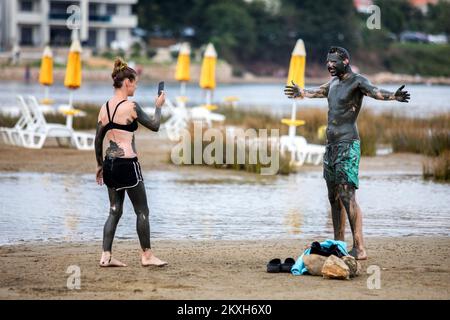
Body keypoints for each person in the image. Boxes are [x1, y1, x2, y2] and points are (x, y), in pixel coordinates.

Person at [284, 46, 410, 260]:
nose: (329, 65)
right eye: (327, 61)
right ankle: (338, 244)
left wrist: (394, 96)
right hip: (331, 146)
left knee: (347, 194)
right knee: (333, 197)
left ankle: (359, 247)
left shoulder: (357, 81)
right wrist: (301, 92)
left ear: (345, 60)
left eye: (333, 61)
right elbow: (318, 92)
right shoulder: (332, 83)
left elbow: (375, 91)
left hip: (347, 145)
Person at [94, 57, 167, 267]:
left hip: (109, 163)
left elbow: (98, 139)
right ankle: (147, 256)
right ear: (127, 82)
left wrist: (99, 165)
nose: (135, 86)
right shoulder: (131, 106)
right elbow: (154, 125)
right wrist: (158, 106)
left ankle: (106, 256)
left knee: (114, 210)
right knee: (142, 211)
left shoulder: (104, 108)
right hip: (128, 164)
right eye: (134, 83)